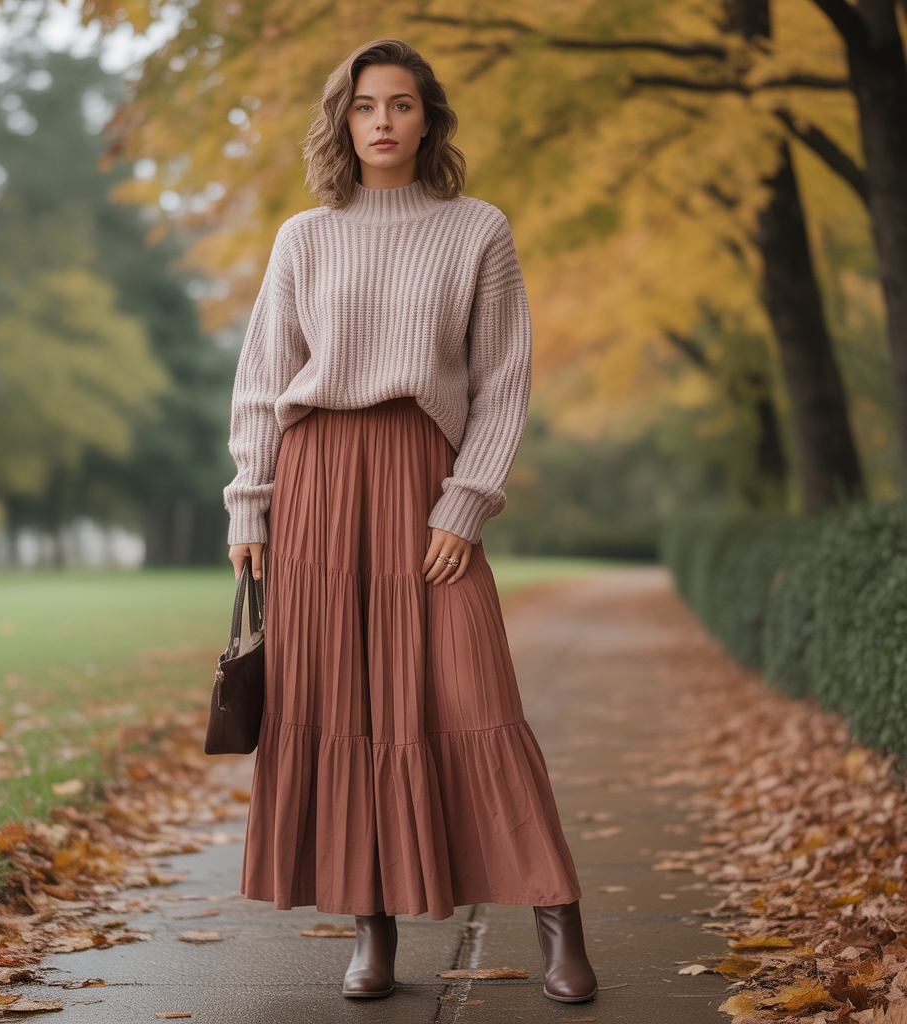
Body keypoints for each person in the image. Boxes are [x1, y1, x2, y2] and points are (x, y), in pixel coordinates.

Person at [223, 37, 597, 1004]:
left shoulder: (479, 228)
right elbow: (265, 383)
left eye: (400, 104)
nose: (382, 120)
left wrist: (466, 502)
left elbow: (503, 381)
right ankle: (371, 928)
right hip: (315, 483)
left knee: (474, 692)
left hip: (424, 478)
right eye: (363, 106)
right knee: (343, 700)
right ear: (342, 121)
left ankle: (558, 918)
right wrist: (248, 502)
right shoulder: (304, 236)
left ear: (429, 118)